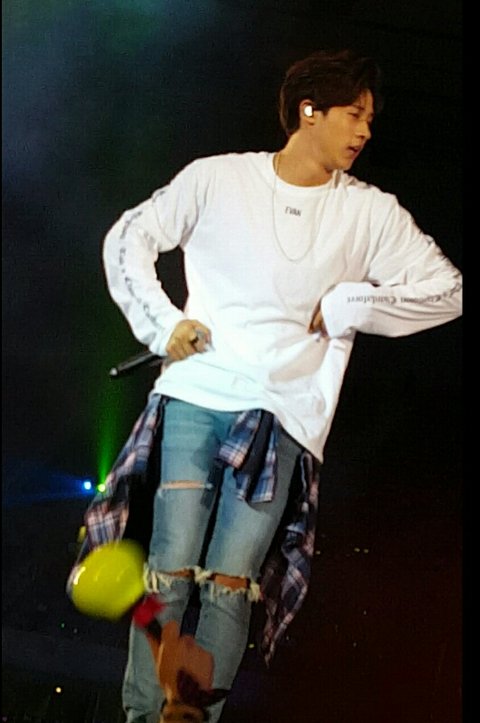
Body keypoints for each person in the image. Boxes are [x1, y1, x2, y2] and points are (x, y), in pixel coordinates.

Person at [95, 48, 462, 722]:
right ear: (309, 111)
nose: (365, 131)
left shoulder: (371, 213)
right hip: (198, 391)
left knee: (231, 582)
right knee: (170, 564)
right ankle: (143, 715)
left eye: (371, 119)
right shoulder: (219, 178)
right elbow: (129, 237)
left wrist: (353, 302)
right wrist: (162, 324)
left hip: (285, 412)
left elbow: (448, 290)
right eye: (354, 114)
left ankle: (194, 716)